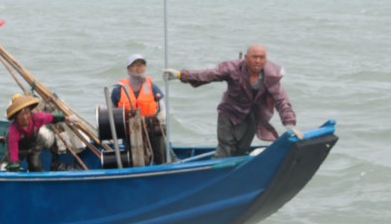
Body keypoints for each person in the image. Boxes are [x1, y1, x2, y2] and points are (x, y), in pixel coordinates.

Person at [165, 43, 301, 158]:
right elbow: (208, 74)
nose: (258, 61)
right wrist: (180, 75)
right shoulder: (232, 68)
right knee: (225, 149)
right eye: (254, 57)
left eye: (262, 58)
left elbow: (282, 100)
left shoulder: (271, 75)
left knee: (240, 151)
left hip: (251, 117)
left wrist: (290, 124)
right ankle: (215, 173)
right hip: (229, 113)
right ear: (246, 58)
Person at [110, 53, 167, 164]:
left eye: (141, 65)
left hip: (150, 131)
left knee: (161, 153)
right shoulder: (118, 90)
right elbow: (112, 112)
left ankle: (163, 163)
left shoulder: (153, 87)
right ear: (128, 69)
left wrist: (158, 120)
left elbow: (162, 110)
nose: (138, 68)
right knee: (131, 159)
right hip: (129, 132)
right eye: (135, 65)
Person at [4, 93, 65, 172]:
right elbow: (13, 151)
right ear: (16, 117)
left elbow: (50, 117)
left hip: (34, 146)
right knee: (13, 166)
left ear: (30, 112)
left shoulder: (36, 118)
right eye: (21, 115)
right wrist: (14, 162)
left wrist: (64, 118)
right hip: (19, 149)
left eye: (27, 113)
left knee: (36, 166)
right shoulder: (13, 130)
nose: (25, 117)